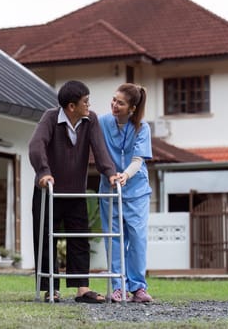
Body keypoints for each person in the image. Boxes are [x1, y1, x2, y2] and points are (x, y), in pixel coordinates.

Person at [29, 80, 119, 303]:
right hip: (48, 190)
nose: (89, 105)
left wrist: (110, 173)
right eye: (85, 102)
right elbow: (36, 145)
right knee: (46, 238)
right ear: (71, 106)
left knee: (80, 238)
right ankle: (51, 288)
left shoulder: (90, 120)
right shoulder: (50, 118)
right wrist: (43, 172)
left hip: (75, 192)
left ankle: (82, 289)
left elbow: (100, 149)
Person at [98, 83, 153, 303]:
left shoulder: (142, 128)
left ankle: (138, 287)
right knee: (113, 240)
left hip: (136, 189)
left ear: (131, 108)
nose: (114, 105)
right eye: (113, 100)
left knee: (137, 239)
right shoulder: (102, 123)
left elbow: (138, 160)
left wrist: (125, 176)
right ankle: (118, 286)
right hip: (110, 190)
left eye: (120, 103)